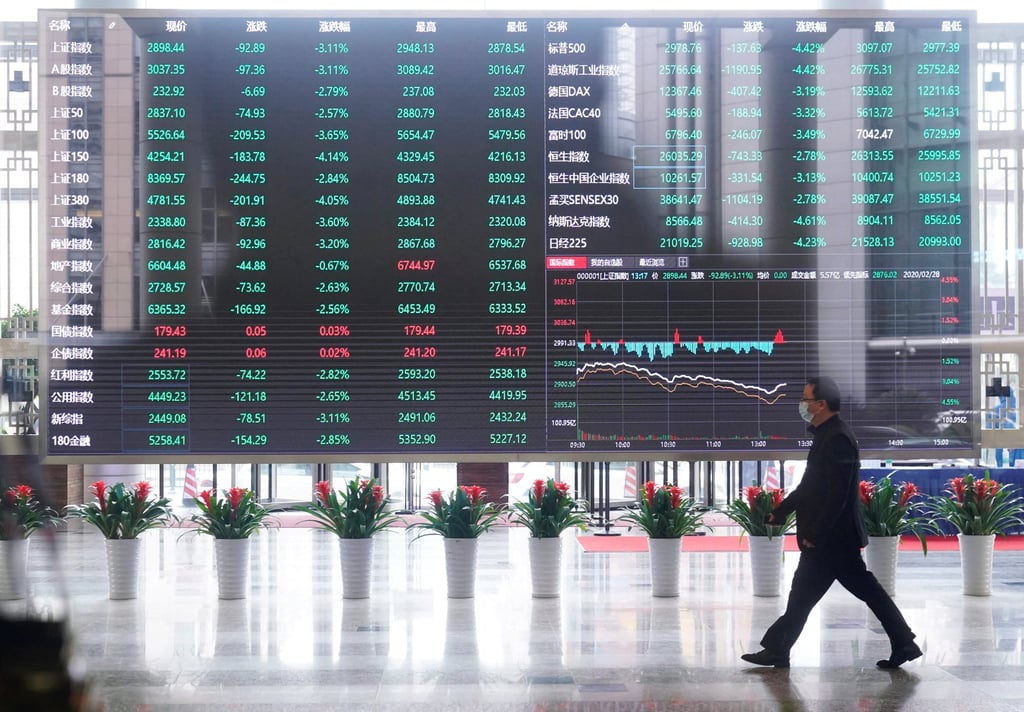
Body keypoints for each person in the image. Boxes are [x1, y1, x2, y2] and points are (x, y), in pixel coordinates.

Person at [741, 376, 922, 670]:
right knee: (812, 595)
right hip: (831, 540)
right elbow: (811, 486)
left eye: (806, 399)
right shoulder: (827, 435)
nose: (802, 404)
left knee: (812, 595)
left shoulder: (837, 438)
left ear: (821, 404)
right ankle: (904, 643)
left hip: (832, 540)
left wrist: (817, 533)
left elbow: (837, 495)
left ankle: (778, 650)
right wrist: (782, 511)